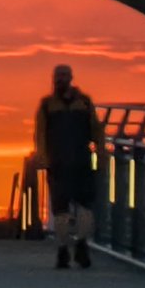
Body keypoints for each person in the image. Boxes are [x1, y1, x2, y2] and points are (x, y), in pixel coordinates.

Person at [33, 64, 105, 269]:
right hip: (63, 163)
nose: (60, 80)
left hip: (73, 162)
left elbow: (96, 131)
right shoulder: (65, 104)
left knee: (77, 208)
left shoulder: (60, 104)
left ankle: (73, 247)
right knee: (67, 209)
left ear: (70, 78)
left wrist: (100, 156)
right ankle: (69, 248)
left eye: (63, 76)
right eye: (58, 76)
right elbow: (40, 135)